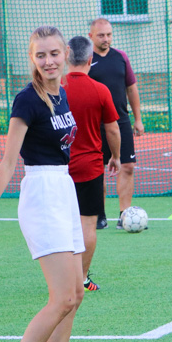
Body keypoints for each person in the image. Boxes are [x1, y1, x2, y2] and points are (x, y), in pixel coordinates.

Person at [0, 26, 92, 342]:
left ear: (65, 55)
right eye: (40, 55)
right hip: (41, 195)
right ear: (32, 59)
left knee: (74, 297)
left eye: (54, 54)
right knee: (61, 298)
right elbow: (9, 162)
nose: (48, 61)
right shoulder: (27, 99)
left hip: (63, 190)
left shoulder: (62, 96)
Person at [63, 35, 122, 291]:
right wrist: (116, 157)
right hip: (89, 168)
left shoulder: (54, 89)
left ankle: (61, 279)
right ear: (90, 59)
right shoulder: (100, 90)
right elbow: (113, 130)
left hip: (58, 169)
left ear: (65, 57)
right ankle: (82, 278)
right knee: (88, 224)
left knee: (62, 225)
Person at [87, 18, 142, 230]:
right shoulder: (85, 59)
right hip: (94, 125)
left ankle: (124, 216)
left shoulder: (121, 57)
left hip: (121, 122)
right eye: (101, 35)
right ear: (91, 36)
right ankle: (99, 216)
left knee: (127, 166)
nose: (106, 39)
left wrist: (138, 119)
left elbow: (132, 88)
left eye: (109, 34)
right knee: (96, 171)